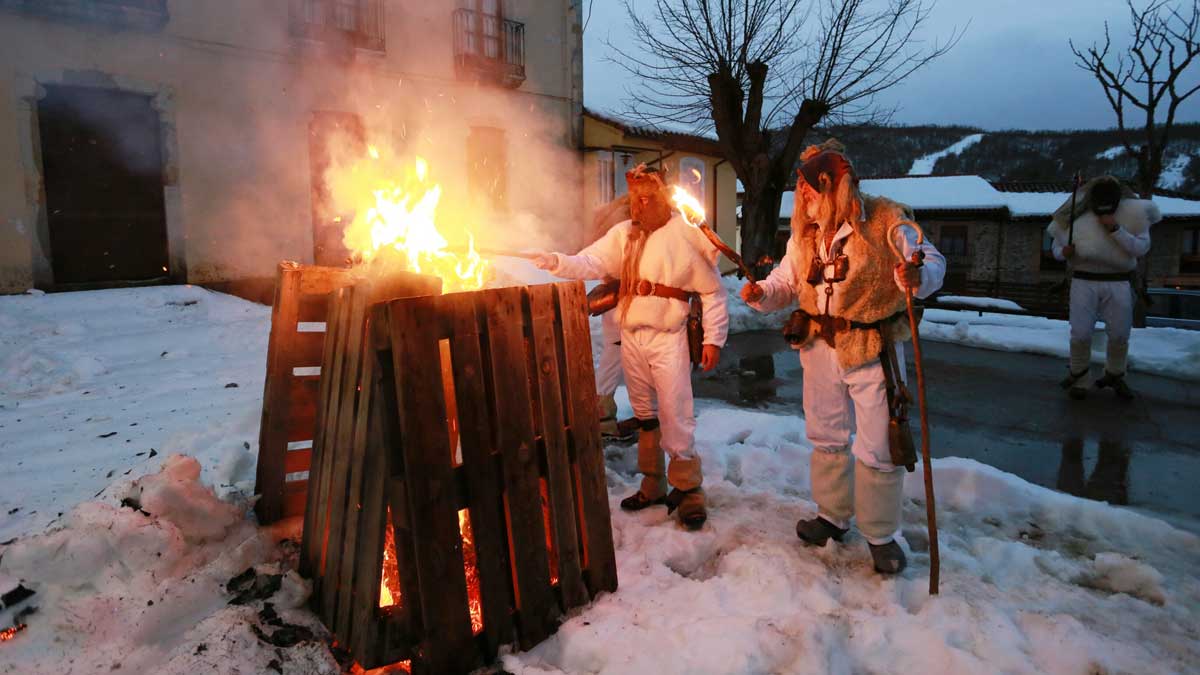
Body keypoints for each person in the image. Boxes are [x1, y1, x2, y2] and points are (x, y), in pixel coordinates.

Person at [741, 140, 945, 574]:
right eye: (800, 193)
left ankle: (880, 534)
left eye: (809, 190)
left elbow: (932, 263)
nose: (803, 199)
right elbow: (786, 279)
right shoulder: (807, 234)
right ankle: (833, 516)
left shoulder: (888, 220)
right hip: (818, 346)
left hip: (871, 348)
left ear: (831, 184)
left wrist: (918, 272)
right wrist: (762, 293)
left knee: (878, 443)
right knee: (826, 433)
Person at [533, 165, 728, 529]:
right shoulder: (624, 234)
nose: (641, 202)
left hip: (669, 337)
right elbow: (590, 261)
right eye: (636, 196)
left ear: (663, 195)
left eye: (648, 195)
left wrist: (714, 339)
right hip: (633, 337)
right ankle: (653, 484)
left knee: (675, 413)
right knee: (645, 414)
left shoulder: (684, 233)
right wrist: (556, 261)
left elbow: (713, 291)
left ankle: (688, 491)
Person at [1048, 176, 1159, 400]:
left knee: (1119, 333)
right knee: (1080, 333)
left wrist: (1116, 229)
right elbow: (1057, 248)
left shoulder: (1134, 215)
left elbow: (1140, 248)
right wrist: (1063, 253)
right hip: (1083, 280)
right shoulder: (1075, 214)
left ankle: (1115, 375)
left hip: (1118, 281)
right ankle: (1079, 377)